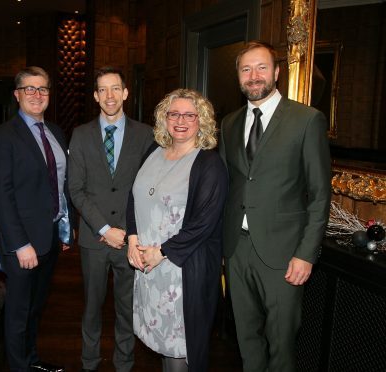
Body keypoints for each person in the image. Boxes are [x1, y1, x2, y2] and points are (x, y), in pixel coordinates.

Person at [219, 41, 331, 372]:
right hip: (237, 249)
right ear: (238, 76)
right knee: (246, 338)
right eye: (245, 69)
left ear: (277, 72)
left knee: (281, 342)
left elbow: (320, 194)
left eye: (261, 67)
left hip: (285, 254)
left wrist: (306, 254)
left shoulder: (307, 120)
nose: (254, 76)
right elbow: (227, 186)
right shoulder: (229, 123)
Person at [126, 89, 228, 372]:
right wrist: (132, 240)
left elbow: (203, 224)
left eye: (189, 115)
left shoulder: (209, 164)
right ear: (164, 118)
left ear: (202, 120)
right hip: (147, 266)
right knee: (161, 343)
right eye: (174, 114)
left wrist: (161, 252)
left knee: (179, 347)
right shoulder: (153, 151)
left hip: (181, 272)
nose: (180, 121)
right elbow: (134, 196)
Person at [0, 66, 73, 372]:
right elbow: (2, 194)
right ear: (17, 95)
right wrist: (19, 243)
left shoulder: (56, 132)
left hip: (49, 236)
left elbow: (60, 184)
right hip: (22, 242)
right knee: (19, 312)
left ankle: (32, 361)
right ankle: (18, 367)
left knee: (36, 307)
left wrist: (64, 229)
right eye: (30, 89)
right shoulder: (3, 136)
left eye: (43, 89)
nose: (37, 95)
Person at [68, 66, 154, 372]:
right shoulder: (80, 135)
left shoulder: (146, 135)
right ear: (95, 96)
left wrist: (128, 232)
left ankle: (124, 364)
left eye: (115, 88)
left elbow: (148, 188)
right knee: (91, 307)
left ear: (126, 92)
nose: (110, 95)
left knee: (126, 308)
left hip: (132, 239)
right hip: (94, 239)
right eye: (103, 89)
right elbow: (75, 189)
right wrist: (105, 228)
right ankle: (89, 363)